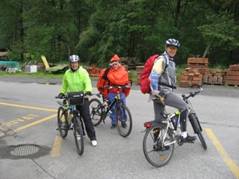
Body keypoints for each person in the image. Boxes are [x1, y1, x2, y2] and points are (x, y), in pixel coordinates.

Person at [149, 38, 196, 143]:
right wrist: (156, 92)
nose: (172, 50)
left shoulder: (170, 61)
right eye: (170, 48)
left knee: (158, 119)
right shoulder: (162, 60)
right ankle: (184, 135)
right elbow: (154, 76)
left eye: (174, 48)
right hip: (162, 93)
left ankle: (156, 143)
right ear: (166, 48)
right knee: (184, 107)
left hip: (158, 93)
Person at [58, 54, 97, 146]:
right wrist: (62, 92)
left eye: (75, 63)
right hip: (72, 98)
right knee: (74, 116)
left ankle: (92, 137)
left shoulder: (83, 72)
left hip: (82, 97)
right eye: (72, 63)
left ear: (78, 63)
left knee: (86, 118)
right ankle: (80, 132)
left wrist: (88, 91)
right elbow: (64, 85)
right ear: (70, 64)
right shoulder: (67, 73)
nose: (74, 64)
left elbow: (87, 82)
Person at [97, 54, 131, 128]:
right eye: (113, 64)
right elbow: (107, 78)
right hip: (111, 91)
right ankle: (114, 122)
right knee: (113, 108)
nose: (115, 65)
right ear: (111, 64)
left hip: (120, 91)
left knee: (122, 107)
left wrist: (125, 85)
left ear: (119, 63)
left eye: (116, 63)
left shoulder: (123, 70)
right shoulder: (109, 71)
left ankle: (123, 121)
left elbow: (125, 80)